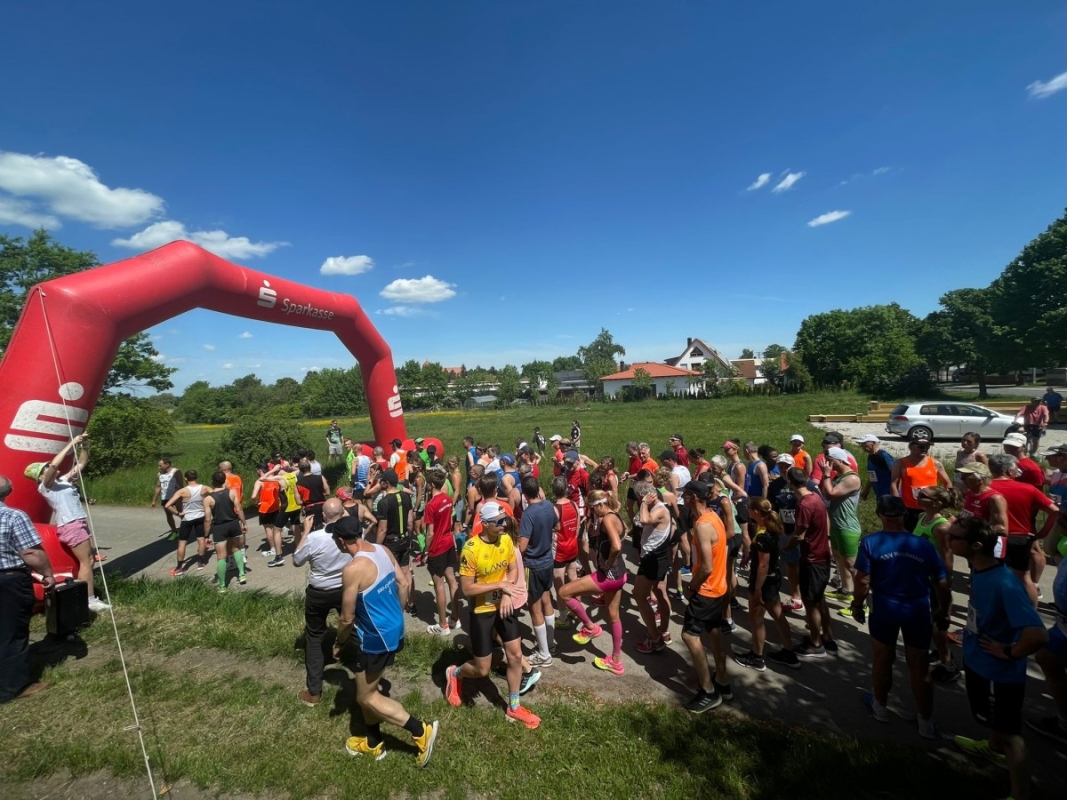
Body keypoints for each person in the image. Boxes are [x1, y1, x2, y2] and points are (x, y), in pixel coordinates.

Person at [948, 516, 1047, 800]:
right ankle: (992, 749)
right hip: (980, 661)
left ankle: (1020, 794)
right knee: (996, 725)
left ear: (976, 545)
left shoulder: (1004, 583)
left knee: (1010, 733)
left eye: (954, 537)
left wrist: (1009, 652)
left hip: (998, 672)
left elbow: (1038, 635)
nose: (948, 539)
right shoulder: (980, 569)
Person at [331, 514, 438, 765]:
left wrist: (338, 644)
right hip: (393, 628)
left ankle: (420, 730)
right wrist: (395, 615)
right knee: (366, 687)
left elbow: (347, 618)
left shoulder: (353, 569)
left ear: (340, 541)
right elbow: (403, 584)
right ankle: (372, 742)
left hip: (375, 637)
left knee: (366, 697)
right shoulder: (382, 549)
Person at [850, 496, 950, 738]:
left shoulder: (871, 542)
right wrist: (943, 611)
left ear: (880, 515)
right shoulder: (923, 545)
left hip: (885, 610)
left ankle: (880, 707)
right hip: (917, 611)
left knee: (883, 659)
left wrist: (857, 604)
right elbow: (942, 581)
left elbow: (862, 580)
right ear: (904, 515)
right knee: (920, 666)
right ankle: (925, 721)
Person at [444, 503, 541, 729]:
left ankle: (514, 707)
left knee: (516, 656)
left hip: (504, 607)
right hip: (481, 611)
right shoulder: (471, 549)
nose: (504, 524)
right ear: (485, 525)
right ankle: (455, 673)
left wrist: (506, 593)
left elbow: (513, 568)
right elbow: (466, 589)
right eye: (498, 522)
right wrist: (499, 585)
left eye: (504, 519)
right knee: (482, 670)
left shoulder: (506, 539)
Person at [25, 434, 108, 612]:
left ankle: (84, 596)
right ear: (41, 476)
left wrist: (84, 446)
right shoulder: (45, 487)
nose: (51, 467)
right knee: (87, 561)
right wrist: (72, 443)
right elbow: (55, 465)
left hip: (78, 522)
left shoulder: (62, 481)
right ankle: (90, 600)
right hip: (71, 525)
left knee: (89, 561)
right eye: (46, 468)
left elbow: (81, 463)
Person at [558, 490, 629, 676]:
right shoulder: (615, 515)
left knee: (564, 593)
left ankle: (590, 627)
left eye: (591, 509)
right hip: (621, 574)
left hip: (609, 575)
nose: (591, 512)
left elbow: (616, 545)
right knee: (614, 616)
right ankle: (616, 661)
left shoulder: (606, 519)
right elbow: (624, 533)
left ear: (598, 505)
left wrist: (607, 562)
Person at [0, 474, 56, 703]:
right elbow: (31, 553)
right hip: (8, 581)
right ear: (8, 491)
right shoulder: (13, 516)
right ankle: (14, 686)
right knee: (11, 632)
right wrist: (48, 575)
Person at [292, 498, 353, 706]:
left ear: (323, 517)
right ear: (343, 513)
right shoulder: (352, 532)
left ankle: (314, 691)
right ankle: (361, 672)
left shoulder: (315, 538)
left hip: (319, 590)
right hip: (344, 587)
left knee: (315, 635)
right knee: (353, 625)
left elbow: (297, 560)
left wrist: (306, 531)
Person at [680, 480, 732, 712]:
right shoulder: (714, 516)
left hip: (707, 589)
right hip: (720, 587)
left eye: (685, 495)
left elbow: (706, 567)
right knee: (714, 631)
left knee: (690, 636)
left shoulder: (702, 525)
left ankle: (708, 690)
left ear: (692, 498)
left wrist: (692, 586)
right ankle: (722, 679)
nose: (682, 498)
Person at [733, 498, 797, 671]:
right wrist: (749, 555)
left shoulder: (762, 535)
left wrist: (757, 589)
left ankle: (756, 656)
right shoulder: (769, 528)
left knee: (756, 619)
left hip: (762, 581)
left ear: (755, 512)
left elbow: (763, 564)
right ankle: (789, 652)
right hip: (773, 578)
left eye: (749, 508)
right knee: (778, 616)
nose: (747, 510)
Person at [988, 453, 1058, 607]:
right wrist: (1043, 533)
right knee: (1024, 577)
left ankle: (994, 611)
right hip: (1020, 538)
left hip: (991, 537)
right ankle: (1031, 613)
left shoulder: (985, 488)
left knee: (990, 575)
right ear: (1009, 471)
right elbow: (1054, 511)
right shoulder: (1028, 489)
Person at [784, 467, 837, 658]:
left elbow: (799, 535)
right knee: (819, 598)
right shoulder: (816, 497)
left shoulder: (804, 504)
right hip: (822, 554)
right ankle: (828, 638)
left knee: (810, 602)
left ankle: (815, 643)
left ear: (790, 482)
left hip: (812, 558)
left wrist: (784, 548)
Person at [914, 485, 963, 683]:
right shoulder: (921, 518)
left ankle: (948, 664)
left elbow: (947, 558)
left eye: (923, 495)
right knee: (928, 622)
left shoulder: (941, 527)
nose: (918, 495)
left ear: (937, 503)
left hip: (935, 582)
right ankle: (938, 652)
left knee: (938, 624)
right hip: (921, 579)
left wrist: (945, 583)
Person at [1027, 523, 1067, 745]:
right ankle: (1064, 722)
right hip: (1063, 621)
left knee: (1047, 658)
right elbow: (1051, 549)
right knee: (1046, 658)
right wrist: (1059, 522)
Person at [519, 475, 557, 667]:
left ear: (524, 495)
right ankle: (550, 644)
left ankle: (543, 655)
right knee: (547, 600)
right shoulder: (549, 506)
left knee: (534, 609)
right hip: (548, 561)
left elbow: (523, 546)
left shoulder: (528, 514)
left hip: (533, 565)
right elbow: (556, 525)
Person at [634, 479, 674, 653]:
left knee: (639, 595)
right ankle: (664, 631)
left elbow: (644, 521)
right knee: (659, 591)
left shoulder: (658, 510)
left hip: (652, 558)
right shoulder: (662, 508)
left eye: (638, 497)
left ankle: (654, 638)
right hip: (660, 555)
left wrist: (643, 503)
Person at [820, 447, 862, 608]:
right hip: (837, 523)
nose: (827, 464)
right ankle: (846, 591)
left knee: (852, 565)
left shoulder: (851, 479)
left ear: (838, 460)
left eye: (829, 461)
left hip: (847, 526)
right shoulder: (839, 476)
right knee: (838, 558)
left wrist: (825, 474)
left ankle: (861, 602)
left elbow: (830, 494)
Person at [372, 469, 416, 615]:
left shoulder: (383, 503)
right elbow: (410, 522)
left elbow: (382, 530)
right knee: (406, 572)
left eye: (381, 481)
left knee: (391, 576)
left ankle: (394, 608)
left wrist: (377, 548)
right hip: (404, 539)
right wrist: (409, 539)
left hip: (391, 543)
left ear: (386, 483)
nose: (379, 483)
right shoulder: (405, 496)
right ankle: (411, 603)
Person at [423, 471, 461, 636]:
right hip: (448, 543)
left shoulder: (430, 505)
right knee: (452, 581)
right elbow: (451, 521)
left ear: (431, 485)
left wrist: (426, 551)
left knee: (439, 586)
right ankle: (455, 618)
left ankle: (442, 625)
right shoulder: (447, 498)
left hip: (437, 547)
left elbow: (430, 533)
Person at [891, 437, 950, 533]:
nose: (925, 449)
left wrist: (946, 501)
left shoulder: (935, 463)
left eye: (927, 447)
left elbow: (947, 483)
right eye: (921, 447)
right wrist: (895, 503)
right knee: (910, 533)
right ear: (911, 447)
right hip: (910, 507)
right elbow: (894, 484)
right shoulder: (900, 463)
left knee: (931, 533)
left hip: (931, 507)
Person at [203, 470, 248, 593]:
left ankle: (222, 586)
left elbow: (207, 520)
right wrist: (244, 522)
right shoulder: (232, 492)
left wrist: (206, 535)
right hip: (233, 523)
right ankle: (242, 574)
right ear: (224, 481)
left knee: (221, 557)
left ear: (212, 481)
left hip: (219, 527)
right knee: (236, 549)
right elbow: (238, 509)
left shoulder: (208, 499)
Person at [163, 470, 208, 575]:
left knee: (182, 543)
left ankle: (179, 568)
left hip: (187, 518)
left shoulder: (182, 491)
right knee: (201, 539)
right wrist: (206, 508)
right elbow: (215, 494)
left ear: (186, 478)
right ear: (196, 477)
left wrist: (178, 513)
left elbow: (167, 505)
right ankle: (201, 562)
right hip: (200, 516)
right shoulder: (204, 488)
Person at [551, 476, 581, 631]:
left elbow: (554, 529)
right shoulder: (574, 504)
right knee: (574, 580)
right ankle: (576, 610)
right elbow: (577, 526)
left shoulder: (554, 509)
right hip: (573, 546)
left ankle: (563, 618)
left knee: (559, 584)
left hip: (560, 550)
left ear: (553, 491)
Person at [150, 458, 184, 536]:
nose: (159, 467)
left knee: (181, 513)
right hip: (165, 497)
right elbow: (158, 487)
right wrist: (154, 500)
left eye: (160, 465)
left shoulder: (176, 472)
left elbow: (181, 486)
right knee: (169, 515)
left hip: (176, 496)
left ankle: (186, 529)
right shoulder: (159, 474)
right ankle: (174, 532)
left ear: (167, 464)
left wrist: (183, 496)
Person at [857, 435, 894, 501]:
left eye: (865, 443)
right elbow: (872, 476)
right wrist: (866, 491)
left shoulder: (883, 455)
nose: (862, 446)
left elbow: (896, 473)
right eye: (861, 444)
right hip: (880, 494)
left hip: (889, 494)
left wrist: (894, 493)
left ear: (874, 443)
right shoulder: (870, 457)